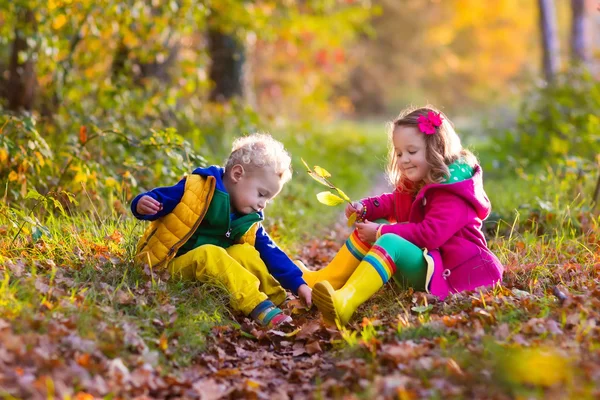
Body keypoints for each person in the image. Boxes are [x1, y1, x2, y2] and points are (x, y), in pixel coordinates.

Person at [297, 106, 503, 326]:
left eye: (411, 152)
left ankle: (345, 301)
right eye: (399, 153)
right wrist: (366, 208)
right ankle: (324, 279)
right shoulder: (420, 179)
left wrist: (380, 232)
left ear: (436, 149)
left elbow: (430, 234)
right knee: (375, 226)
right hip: (430, 262)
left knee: (388, 240)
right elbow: (395, 202)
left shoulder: (453, 192)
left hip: (451, 271)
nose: (404, 159)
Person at [132, 133, 312, 328]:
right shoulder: (195, 189)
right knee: (210, 253)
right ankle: (258, 306)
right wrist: (141, 204)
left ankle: (278, 300)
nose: (263, 205)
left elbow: (271, 253)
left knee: (245, 252)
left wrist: (298, 284)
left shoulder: (247, 218)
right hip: (167, 266)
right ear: (237, 174)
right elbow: (159, 199)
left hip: (208, 271)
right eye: (261, 194)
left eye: (268, 199)